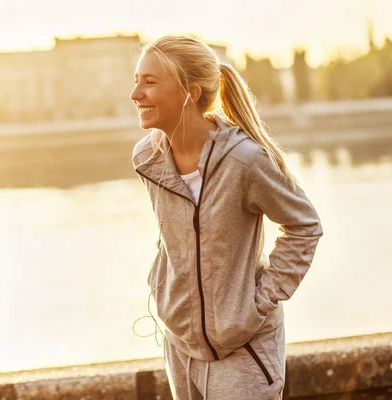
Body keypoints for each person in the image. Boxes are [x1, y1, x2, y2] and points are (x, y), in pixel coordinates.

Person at [130, 36, 323, 399]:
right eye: (136, 80)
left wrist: (259, 302)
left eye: (149, 82)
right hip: (181, 346)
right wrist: (167, 297)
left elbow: (304, 226)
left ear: (189, 92)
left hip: (244, 349)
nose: (135, 94)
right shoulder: (147, 158)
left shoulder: (244, 161)